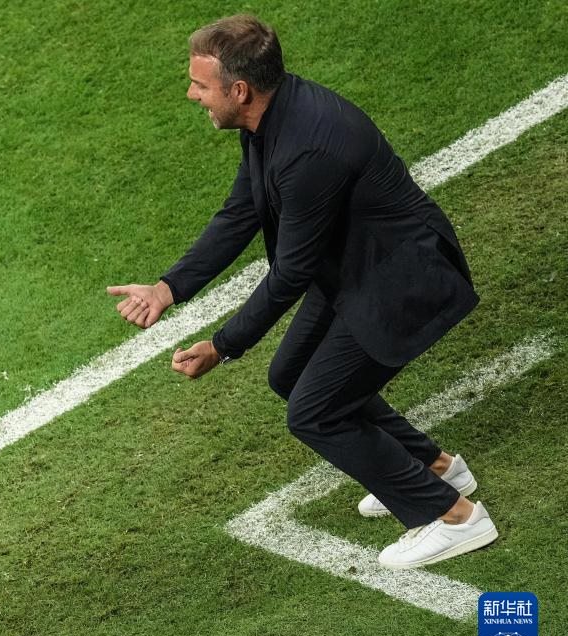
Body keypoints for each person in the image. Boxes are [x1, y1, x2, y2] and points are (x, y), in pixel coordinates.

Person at [107, 14, 498, 569]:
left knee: (315, 413)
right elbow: (242, 210)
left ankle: (452, 515)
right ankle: (438, 468)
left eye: (200, 84)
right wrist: (169, 288)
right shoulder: (268, 120)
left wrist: (223, 346)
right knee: (290, 375)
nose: (192, 94)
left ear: (239, 90)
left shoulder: (307, 150)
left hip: (400, 281)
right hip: (354, 270)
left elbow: (290, 273)